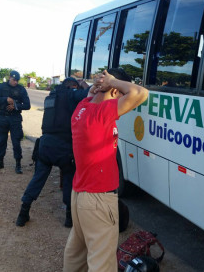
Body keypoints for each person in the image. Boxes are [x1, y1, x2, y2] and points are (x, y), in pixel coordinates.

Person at [63, 68, 149, 272]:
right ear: (114, 91)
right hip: (98, 200)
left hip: (80, 196)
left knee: (77, 253)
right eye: (120, 92)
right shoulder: (101, 113)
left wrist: (99, 86)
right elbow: (141, 93)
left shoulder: (82, 109)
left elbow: (91, 95)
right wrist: (111, 81)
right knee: (101, 263)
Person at [16, 77, 89, 228]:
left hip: (45, 144)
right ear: (73, 86)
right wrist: (83, 85)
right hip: (64, 146)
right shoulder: (70, 94)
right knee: (69, 179)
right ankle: (69, 218)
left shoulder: (50, 97)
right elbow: (90, 93)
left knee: (38, 179)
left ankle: (23, 213)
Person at [0, 70, 31, 174]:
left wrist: (16, 105)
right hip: (3, 117)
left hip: (15, 118)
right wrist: (5, 99)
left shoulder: (21, 89)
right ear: (9, 78)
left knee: (16, 142)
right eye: (14, 80)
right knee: (2, 141)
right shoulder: (1, 86)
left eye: (17, 80)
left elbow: (27, 105)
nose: (15, 82)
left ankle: (18, 165)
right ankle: (0, 162)